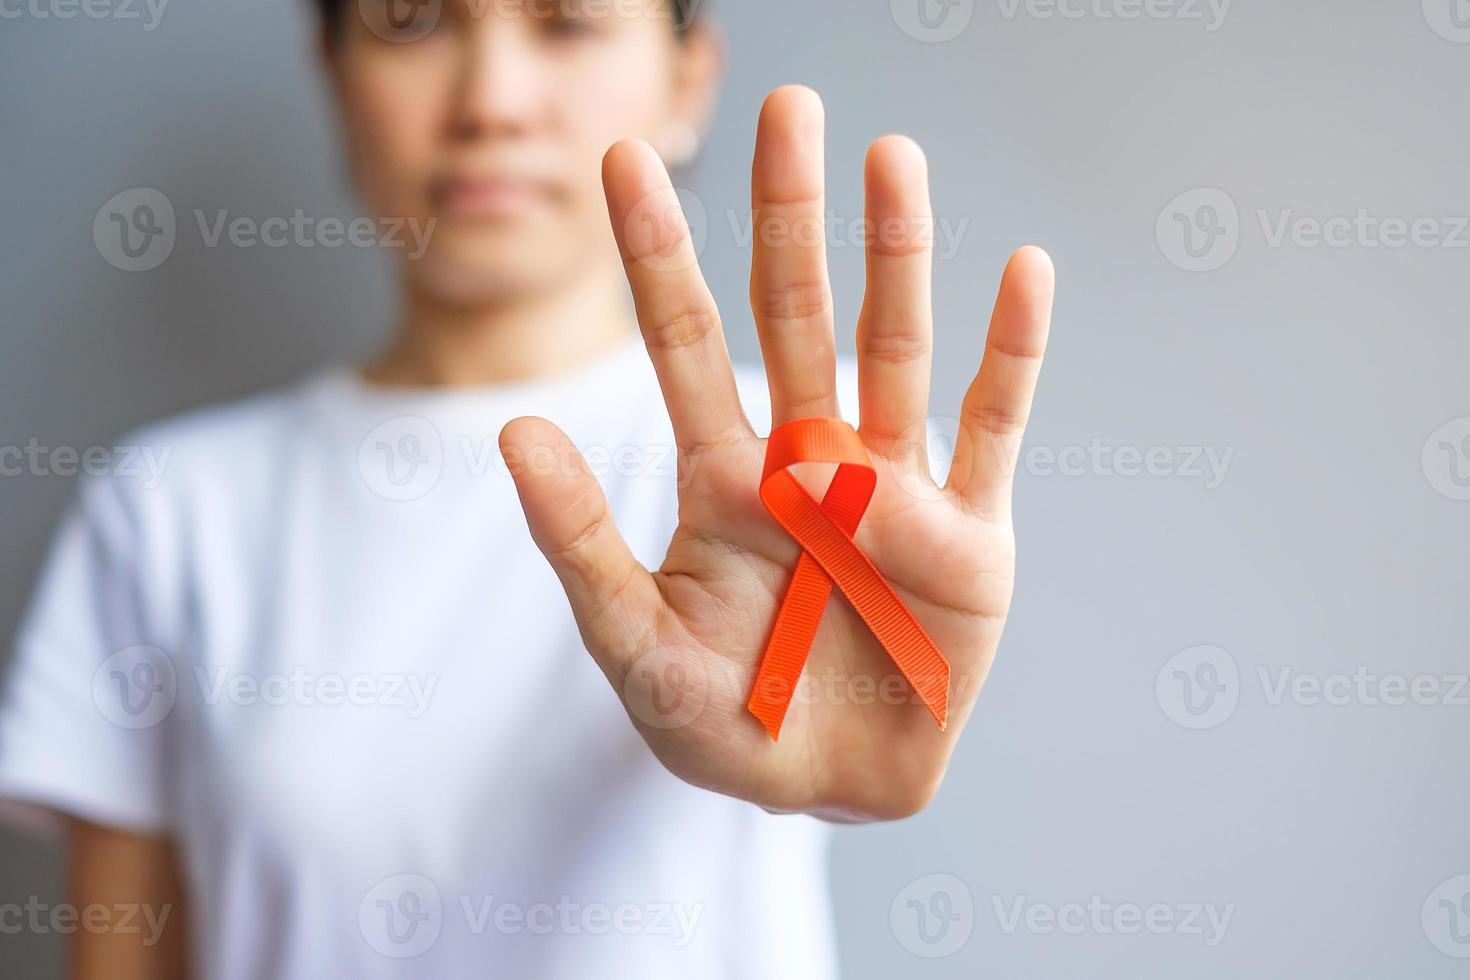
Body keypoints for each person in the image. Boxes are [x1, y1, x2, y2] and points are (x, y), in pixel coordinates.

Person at [0, 0, 1056, 977]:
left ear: (687, 78)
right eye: (410, 19)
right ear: (333, 70)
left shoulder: (816, 474)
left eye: (568, 22)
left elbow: (849, 734)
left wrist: (862, 759)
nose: (490, 102)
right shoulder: (169, 510)